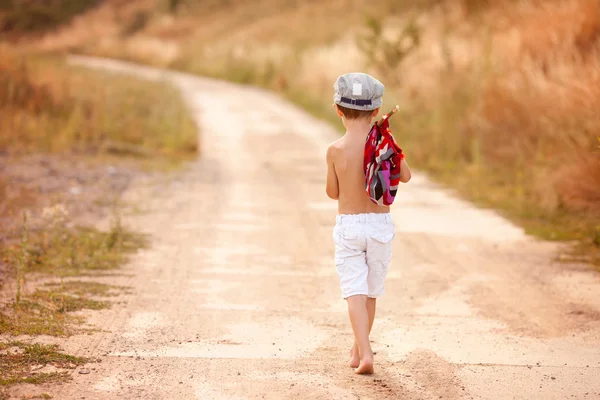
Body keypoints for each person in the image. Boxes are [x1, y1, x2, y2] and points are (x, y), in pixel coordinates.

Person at [326, 72, 411, 375]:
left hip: (349, 226)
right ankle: (358, 350)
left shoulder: (335, 150)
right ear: (376, 111)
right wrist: (387, 148)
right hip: (379, 225)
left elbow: (332, 192)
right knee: (371, 292)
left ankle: (364, 353)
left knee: (354, 291)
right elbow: (406, 176)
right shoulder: (384, 144)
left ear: (338, 109)